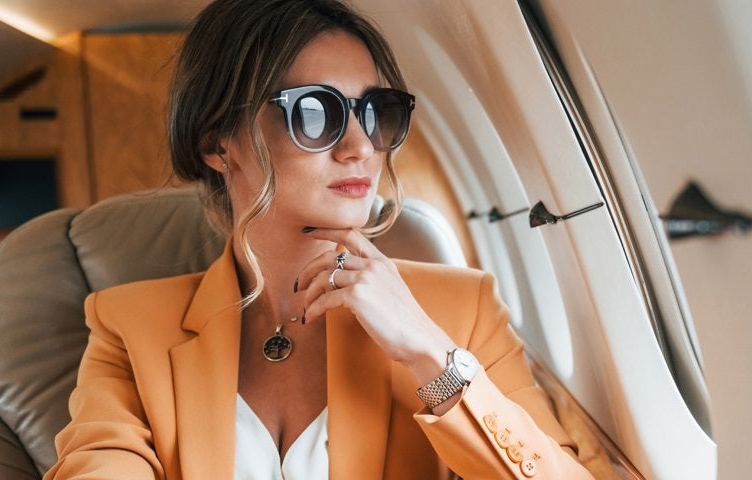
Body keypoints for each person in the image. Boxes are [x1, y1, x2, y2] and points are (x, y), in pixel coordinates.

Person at [44, 0, 594, 478]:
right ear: (218, 142)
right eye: (314, 113)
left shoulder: (462, 312)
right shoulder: (128, 326)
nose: (360, 145)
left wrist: (429, 355)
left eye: (375, 112)